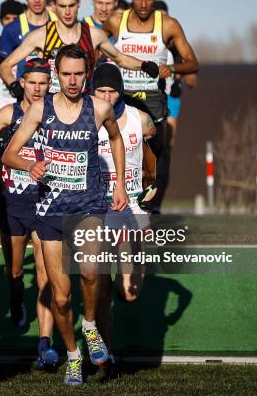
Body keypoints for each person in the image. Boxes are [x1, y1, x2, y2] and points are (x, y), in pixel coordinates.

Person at [2, 44, 128, 386]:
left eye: (78, 74)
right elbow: (9, 154)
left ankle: (89, 326)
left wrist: (119, 186)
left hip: (87, 205)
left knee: (90, 273)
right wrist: (30, 165)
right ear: (57, 75)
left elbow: (116, 140)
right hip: (49, 209)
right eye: (66, 74)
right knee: (60, 296)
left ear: (86, 74)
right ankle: (73, 356)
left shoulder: (99, 108)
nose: (73, 81)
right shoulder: (41, 110)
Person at [102, 0, 198, 212]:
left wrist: (172, 67)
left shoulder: (168, 25)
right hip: (124, 97)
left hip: (153, 98)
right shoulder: (116, 21)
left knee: (154, 161)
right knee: (116, 147)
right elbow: (94, 48)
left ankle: (151, 206)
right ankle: (109, 201)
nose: (143, 5)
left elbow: (192, 62)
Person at [0, 58, 58, 369]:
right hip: (13, 203)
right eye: (32, 82)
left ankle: (45, 343)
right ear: (22, 83)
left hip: (45, 201)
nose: (38, 89)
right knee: (15, 271)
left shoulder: (57, 115)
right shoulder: (9, 113)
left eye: (43, 83)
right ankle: (16, 299)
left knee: (46, 274)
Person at [91, 63, 157, 359]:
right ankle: (105, 353)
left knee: (128, 293)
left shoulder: (139, 119)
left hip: (132, 205)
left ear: (121, 91)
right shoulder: (83, 119)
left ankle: (132, 272)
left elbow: (159, 155)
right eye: (100, 90)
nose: (106, 96)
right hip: (98, 205)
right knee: (101, 290)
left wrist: (153, 185)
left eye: (112, 90)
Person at [0, 0, 159, 97]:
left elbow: (120, 59)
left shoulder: (94, 35)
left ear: (79, 3)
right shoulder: (41, 35)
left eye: (71, 6)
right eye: (62, 6)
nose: (67, 12)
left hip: (84, 107)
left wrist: (144, 65)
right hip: (50, 107)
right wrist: (14, 86)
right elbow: (5, 65)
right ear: (54, 6)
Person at [0, 0, 57, 85]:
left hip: (56, 96)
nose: (37, 0)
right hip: (26, 97)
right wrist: (15, 86)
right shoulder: (12, 28)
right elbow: (2, 65)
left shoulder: (59, 23)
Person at [153, 0, 198, 148]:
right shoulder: (146, 42)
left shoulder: (177, 44)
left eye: (164, 18)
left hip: (171, 96)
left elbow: (192, 81)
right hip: (150, 96)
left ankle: (164, 168)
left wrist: (177, 71)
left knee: (168, 141)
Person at [0, 0, 27, 114]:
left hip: (23, 105)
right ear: (1, 21)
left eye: (15, 19)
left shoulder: (29, 46)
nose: (11, 22)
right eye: (7, 18)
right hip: (0, 107)